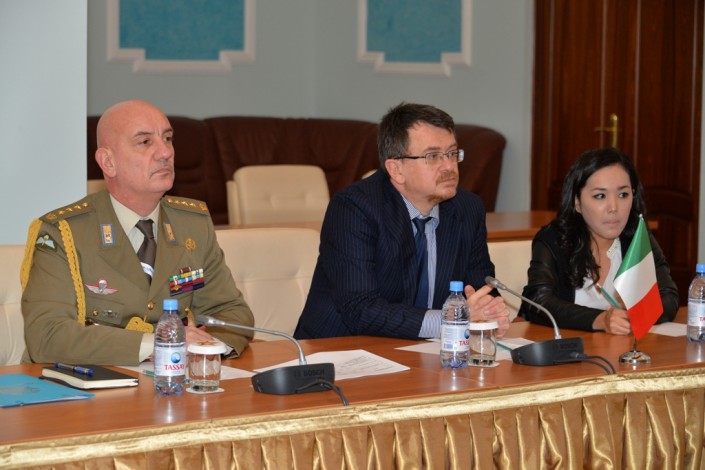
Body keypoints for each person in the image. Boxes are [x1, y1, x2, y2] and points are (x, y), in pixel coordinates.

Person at [21, 99, 254, 365]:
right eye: (145, 142)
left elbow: (232, 314)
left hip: (173, 379)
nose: (165, 152)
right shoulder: (63, 232)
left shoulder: (193, 224)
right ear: (108, 162)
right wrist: (160, 344)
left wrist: (205, 348)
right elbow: (46, 336)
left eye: (167, 138)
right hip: (85, 384)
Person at [294, 102, 510, 340]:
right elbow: (360, 309)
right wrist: (452, 319)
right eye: (433, 156)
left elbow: (480, 289)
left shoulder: (467, 208)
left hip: (430, 350)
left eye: (452, 153)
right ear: (396, 169)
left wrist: (490, 313)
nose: (449, 166)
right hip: (340, 349)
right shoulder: (354, 208)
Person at [519, 147, 678, 334]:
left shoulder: (637, 236)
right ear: (577, 202)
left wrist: (635, 314)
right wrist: (599, 320)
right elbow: (538, 301)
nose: (613, 207)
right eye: (600, 196)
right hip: (567, 347)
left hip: (620, 347)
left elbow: (668, 296)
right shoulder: (553, 239)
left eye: (623, 195)